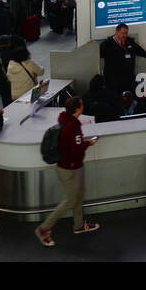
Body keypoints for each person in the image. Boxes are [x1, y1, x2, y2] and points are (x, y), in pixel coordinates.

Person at [34, 96, 100, 246]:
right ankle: (43, 229)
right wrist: (88, 143)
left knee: (80, 193)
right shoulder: (73, 127)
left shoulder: (65, 121)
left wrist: (82, 143)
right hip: (70, 169)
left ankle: (79, 225)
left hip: (71, 166)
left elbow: (72, 145)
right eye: (82, 105)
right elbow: (76, 149)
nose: (83, 106)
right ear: (78, 109)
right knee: (70, 200)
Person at [99, 23, 146, 95]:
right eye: (123, 33)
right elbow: (97, 54)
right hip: (114, 82)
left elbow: (140, 51)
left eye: (126, 33)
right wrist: (92, 46)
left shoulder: (129, 41)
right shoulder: (107, 44)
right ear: (116, 32)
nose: (125, 35)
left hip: (129, 79)